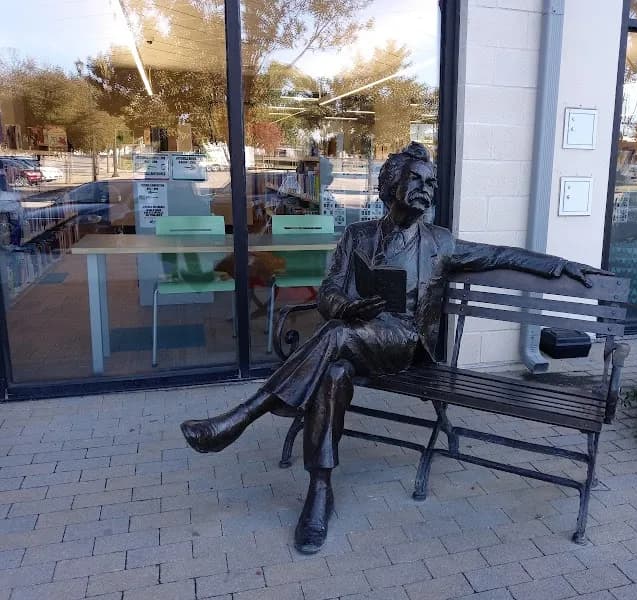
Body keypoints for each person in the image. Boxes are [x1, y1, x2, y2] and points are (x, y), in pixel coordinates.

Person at [180, 142, 607, 554]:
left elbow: (500, 255)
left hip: (404, 347)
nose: (426, 188)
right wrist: (347, 304)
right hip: (356, 339)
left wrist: (561, 264)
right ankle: (319, 490)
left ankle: (242, 416)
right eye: (417, 179)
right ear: (390, 187)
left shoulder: (440, 242)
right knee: (332, 373)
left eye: (431, 183)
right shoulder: (357, 236)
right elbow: (330, 291)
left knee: (334, 337)